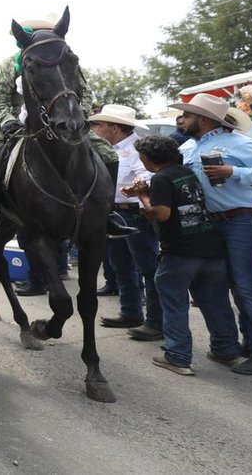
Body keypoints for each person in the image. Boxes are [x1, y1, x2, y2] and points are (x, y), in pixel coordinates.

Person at [0, 14, 130, 236]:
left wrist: (78, 113)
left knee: (108, 153)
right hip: (19, 124)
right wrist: (8, 121)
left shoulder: (66, 59)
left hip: (63, 120)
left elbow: (84, 92)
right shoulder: (10, 64)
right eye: (35, 33)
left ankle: (109, 212)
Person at [170, 93, 252, 375]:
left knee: (249, 288)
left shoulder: (238, 142)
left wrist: (232, 171)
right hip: (214, 223)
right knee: (233, 287)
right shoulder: (188, 147)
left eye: (188, 114)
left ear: (204, 119)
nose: (182, 119)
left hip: (244, 220)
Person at [128, 134, 242, 376]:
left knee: (174, 303)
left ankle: (177, 356)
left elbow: (161, 214)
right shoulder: (186, 172)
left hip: (180, 252)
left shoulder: (160, 177)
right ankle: (227, 350)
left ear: (148, 158)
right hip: (211, 249)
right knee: (216, 303)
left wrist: (142, 196)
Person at [89, 104, 162, 340]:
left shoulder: (136, 148)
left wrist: (137, 184)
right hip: (117, 212)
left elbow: (150, 173)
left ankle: (156, 321)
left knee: (148, 268)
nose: (94, 128)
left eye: (98, 124)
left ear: (114, 127)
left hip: (135, 214)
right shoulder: (112, 148)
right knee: (122, 266)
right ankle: (131, 311)